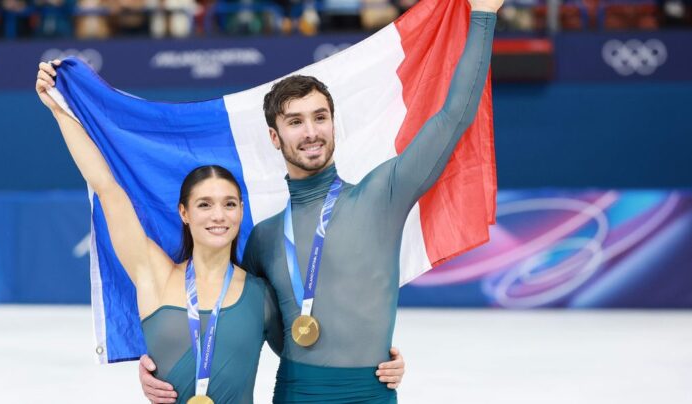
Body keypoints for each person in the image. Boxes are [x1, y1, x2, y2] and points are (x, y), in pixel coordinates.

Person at [140, 0, 502, 402]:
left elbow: (454, 116)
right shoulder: (264, 238)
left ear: (333, 123)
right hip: (295, 393)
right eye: (295, 122)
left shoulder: (383, 195)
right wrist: (161, 362)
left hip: (371, 392)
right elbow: (226, 318)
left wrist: (483, 14)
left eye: (319, 117)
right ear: (275, 138)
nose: (310, 131)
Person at [35, 60, 404, 402]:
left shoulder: (260, 296)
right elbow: (107, 189)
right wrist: (59, 110)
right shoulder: (154, 275)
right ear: (184, 213)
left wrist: (377, 359)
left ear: (241, 211)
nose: (218, 216)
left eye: (229, 203)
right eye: (204, 204)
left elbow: (307, 350)